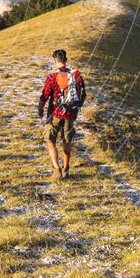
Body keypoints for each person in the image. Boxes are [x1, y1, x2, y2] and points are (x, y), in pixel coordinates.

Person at [38, 49, 86, 180]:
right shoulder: (76, 75)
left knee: (50, 139)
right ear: (66, 60)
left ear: (55, 60)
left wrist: (40, 109)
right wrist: (74, 109)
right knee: (67, 140)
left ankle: (56, 169)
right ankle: (66, 168)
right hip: (70, 115)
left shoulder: (52, 77)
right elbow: (83, 95)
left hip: (55, 114)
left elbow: (45, 95)